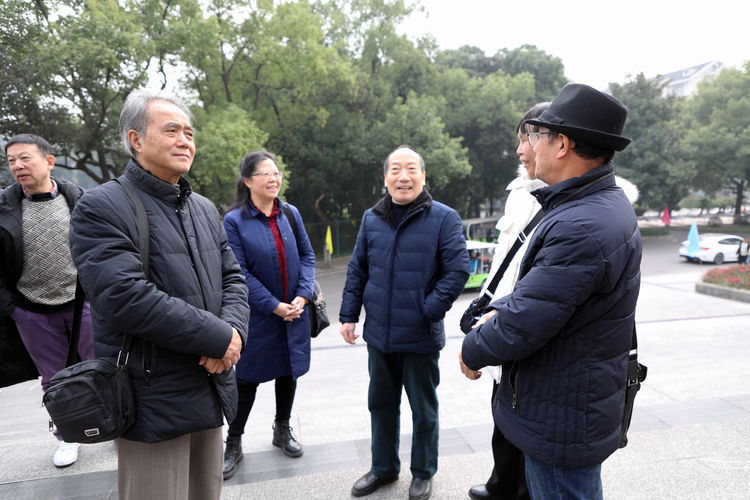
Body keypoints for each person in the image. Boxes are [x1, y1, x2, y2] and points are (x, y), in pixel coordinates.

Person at [461, 83, 642, 500]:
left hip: (564, 408)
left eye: (536, 135)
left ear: (562, 144)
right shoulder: (591, 204)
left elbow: (528, 320)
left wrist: (473, 348)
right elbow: (546, 293)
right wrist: (500, 309)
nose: (529, 146)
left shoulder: (581, 223)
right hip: (570, 397)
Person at [68, 90, 250, 500]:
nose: (185, 140)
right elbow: (124, 297)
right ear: (136, 139)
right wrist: (217, 338)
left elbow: (233, 278)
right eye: (172, 131)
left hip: (210, 380)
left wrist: (233, 334)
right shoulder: (101, 206)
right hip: (151, 397)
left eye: (189, 133)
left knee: (206, 491)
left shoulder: (203, 208)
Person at [340, 145, 469, 500]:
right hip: (379, 335)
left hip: (419, 335)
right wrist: (349, 315)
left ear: (423, 176)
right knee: (380, 405)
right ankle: (383, 468)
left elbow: (458, 270)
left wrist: (428, 310)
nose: (403, 176)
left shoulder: (444, 218)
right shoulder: (371, 218)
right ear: (385, 178)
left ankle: (423, 472)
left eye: (411, 169)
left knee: (423, 411)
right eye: (395, 169)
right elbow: (358, 269)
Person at [466, 103, 550, 500]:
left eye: (528, 138)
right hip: (503, 318)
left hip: (527, 326)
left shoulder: (569, 203)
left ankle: (519, 490)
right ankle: (501, 484)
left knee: (526, 419)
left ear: (558, 143)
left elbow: (542, 285)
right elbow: (505, 261)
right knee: (503, 412)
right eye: (519, 138)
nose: (520, 149)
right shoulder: (518, 193)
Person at [0, 134, 95, 468]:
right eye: (11, 161)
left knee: (101, 366)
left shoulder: (79, 199)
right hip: (31, 309)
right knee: (54, 379)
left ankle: (115, 422)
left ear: (49, 161)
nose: (18, 166)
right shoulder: (4, 207)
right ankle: (67, 437)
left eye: (25, 158)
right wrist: (11, 308)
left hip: (82, 302)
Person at [221, 151, 316, 480]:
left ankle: (282, 428)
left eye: (277, 173)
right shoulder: (234, 221)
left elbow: (307, 256)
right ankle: (233, 441)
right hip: (258, 317)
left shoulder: (290, 213)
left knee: (288, 372)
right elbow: (239, 272)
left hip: (295, 312)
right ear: (248, 181)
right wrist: (274, 305)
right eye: (265, 174)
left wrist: (303, 296)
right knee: (246, 379)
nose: (274, 179)